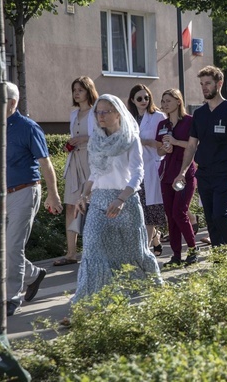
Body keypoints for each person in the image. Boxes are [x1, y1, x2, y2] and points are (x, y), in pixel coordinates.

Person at [71, 94, 162, 304]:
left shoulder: (130, 139)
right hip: (99, 201)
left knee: (133, 253)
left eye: (105, 111)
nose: (100, 116)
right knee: (92, 248)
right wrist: (84, 196)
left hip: (125, 202)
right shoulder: (96, 141)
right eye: (98, 111)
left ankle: (142, 297)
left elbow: (138, 173)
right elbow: (94, 173)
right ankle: (87, 303)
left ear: (118, 114)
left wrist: (121, 199)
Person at [173, 66, 227, 248]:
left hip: (225, 173)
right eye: (201, 84)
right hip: (205, 173)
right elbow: (191, 145)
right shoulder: (199, 114)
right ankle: (219, 259)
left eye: (208, 83)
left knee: (220, 215)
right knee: (210, 218)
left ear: (219, 83)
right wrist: (183, 172)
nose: (204, 87)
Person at [5, 82, 62, 316]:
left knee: (13, 247)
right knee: (6, 248)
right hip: (3, 193)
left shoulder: (28, 127)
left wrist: (54, 194)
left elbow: (45, 163)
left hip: (25, 191)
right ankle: (33, 274)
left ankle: (11, 297)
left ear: (11, 102)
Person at [55, 77, 98, 267]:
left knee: (92, 205)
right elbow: (75, 136)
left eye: (80, 89)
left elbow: (103, 136)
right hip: (75, 162)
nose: (77, 93)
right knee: (71, 205)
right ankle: (71, 253)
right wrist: (70, 144)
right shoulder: (74, 114)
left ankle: (94, 249)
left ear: (89, 90)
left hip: (91, 162)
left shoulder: (97, 111)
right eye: (74, 90)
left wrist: (85, 139)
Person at [155, 89, 198, 267]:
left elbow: (194, 145)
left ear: (178, 101)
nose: (164, 104)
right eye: (162, 101)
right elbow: (158, 150)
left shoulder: (189, 121)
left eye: (168, 101)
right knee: (170, 216)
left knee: (179, 212)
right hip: (167, 175)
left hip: (184, 174)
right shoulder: (162, 124)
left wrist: (175, 142)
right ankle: (176, 256)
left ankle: (193, 249)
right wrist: (166, 147)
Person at [127, 84, 166, 256]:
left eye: (147, 97)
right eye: (140, 98)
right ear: (132, 101)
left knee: (149, 211)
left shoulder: (158, 116)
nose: (144, 101)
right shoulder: (129, 119)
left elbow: (165, 143)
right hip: (134, 169)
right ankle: (155, 238)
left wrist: (149, 142)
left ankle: (145, 252)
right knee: (139, 211)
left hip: (151, 167)